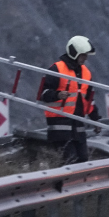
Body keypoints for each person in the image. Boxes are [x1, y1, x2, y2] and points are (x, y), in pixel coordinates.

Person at [42, 35, 101, 164]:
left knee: (83, 160)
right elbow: (43, 94)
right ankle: (61, 184)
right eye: (83, 55)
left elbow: (89, 100)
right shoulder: (57, 69)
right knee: (69, 161)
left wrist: (96, 120)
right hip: (60, 127)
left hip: (78, 127)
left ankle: (75, 184)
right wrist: (57, 95)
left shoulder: (86, 73)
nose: (85, 58)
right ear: (75, 53)